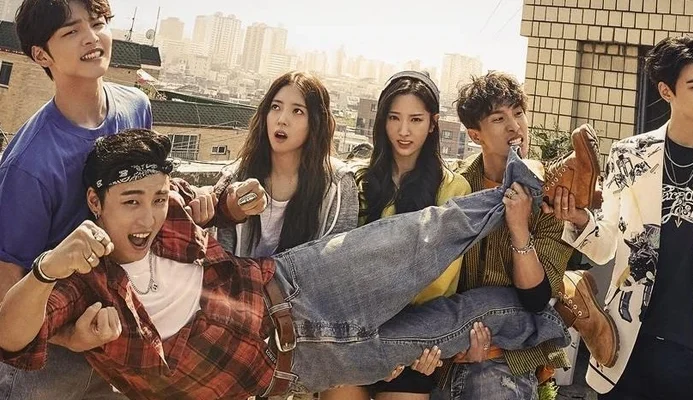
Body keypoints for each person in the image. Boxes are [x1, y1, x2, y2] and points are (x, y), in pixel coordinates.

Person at [0, 128, 571, 399]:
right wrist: (47, 270)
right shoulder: (84, 281)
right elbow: (10, 338)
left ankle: (532, 186)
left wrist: (229, 203)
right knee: (452, 325)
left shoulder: (169, 204)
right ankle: (557, 319)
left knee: (421, 235)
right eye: (130, 203)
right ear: (95, 203)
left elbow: (208, 204)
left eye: (156, 198)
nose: (148, 215)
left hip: (297, 282)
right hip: (294, 366)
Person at [0, 0, 201, 398]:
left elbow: (145, 192)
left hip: (123, 336)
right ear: (41, 55)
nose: (91, 38)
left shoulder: (135, 106)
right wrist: (68, 337)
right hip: (49, 359)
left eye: (97, 23)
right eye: (71, 31)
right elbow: (7, 289)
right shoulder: (31, 164)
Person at [551, 36, 693, 399]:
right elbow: (605, 246)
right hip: (626, 351)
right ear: (666, 91)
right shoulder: (630, 155)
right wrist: (580, 219)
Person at [433, 72, 617, 400]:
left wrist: (519, 228)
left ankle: (568, 291)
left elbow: (534, 299)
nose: (515, 127)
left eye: (518, 113)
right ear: (475, 135)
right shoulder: (455, 188)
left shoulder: (549, 195)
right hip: (451, 346)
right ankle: (570, 291)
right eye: (498, 119)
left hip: (511, 353)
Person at [322, 71, 471, 400]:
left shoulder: (452, 189)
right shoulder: (358, 181)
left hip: (414, 342)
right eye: (394, 118)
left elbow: (439, 281)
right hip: (355, 337)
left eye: (415, 120)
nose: (404, 131)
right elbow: (340, 266)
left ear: (432, 124)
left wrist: (396, 348)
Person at [216, 71, 358, 260]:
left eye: (297, 111)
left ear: (316, 122)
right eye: (275, 107)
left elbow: (334, 262)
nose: (282, 119)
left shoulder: (337, 185)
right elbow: (220, 258)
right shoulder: (236, 178)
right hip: (241, 279)